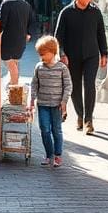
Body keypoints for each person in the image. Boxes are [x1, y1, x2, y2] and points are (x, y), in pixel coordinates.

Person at [55, 0, 108, 134]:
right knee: (75, 86)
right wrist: (62, 53)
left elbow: (101, 34)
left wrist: (104, 53)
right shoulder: (66, 13)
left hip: (92, 54)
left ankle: (88, 120)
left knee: (90, 84)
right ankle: (80, 114)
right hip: (72, 56)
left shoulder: (95, 12)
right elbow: (58, 37)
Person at [28, 35, 72, 168]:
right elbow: (34, 84)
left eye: (43, 54)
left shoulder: (62, 68)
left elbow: (68, 86)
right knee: (44, 129)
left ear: (53, 52)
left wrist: (64, 102)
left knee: (56, 130)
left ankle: (58, 155)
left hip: (57, 105)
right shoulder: (39, 67)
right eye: (39, 54)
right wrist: (32, 100)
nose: (41, 57)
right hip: (43, 104)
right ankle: (48, 154)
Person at [0, 0, 35, 85]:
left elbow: (2, 23)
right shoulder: (25, 4)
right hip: (21, 39)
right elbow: (32, 20)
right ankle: (13, 82)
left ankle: (14, 86)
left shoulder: (6, 3)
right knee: (15, 61)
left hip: (8, 39)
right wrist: (28, 34)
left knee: (9, 61)